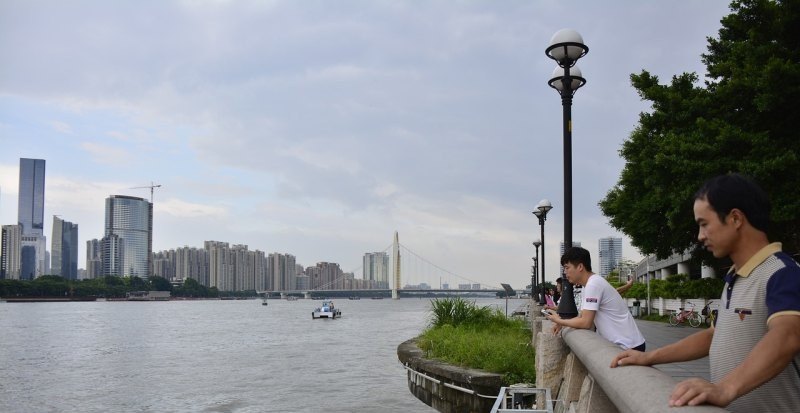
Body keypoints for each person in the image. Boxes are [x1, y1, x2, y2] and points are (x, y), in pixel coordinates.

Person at [610, 173, 800, 412]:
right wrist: (649, 357)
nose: (700, 236)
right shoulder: (735, 277)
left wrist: (725, 388)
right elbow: (713, 335)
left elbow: (789, 334)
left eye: (704, 224)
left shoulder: (781, 272)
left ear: (735, 218)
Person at [545, 247, 646, 351]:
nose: (565, 273)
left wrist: (559, 321)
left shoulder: (593, 284)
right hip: (626, 344)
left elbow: (585, 322)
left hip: (629, 345)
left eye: (567, 268)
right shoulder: (588, 285)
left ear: (580, 266)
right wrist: (561, 322)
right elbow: (582, 316)